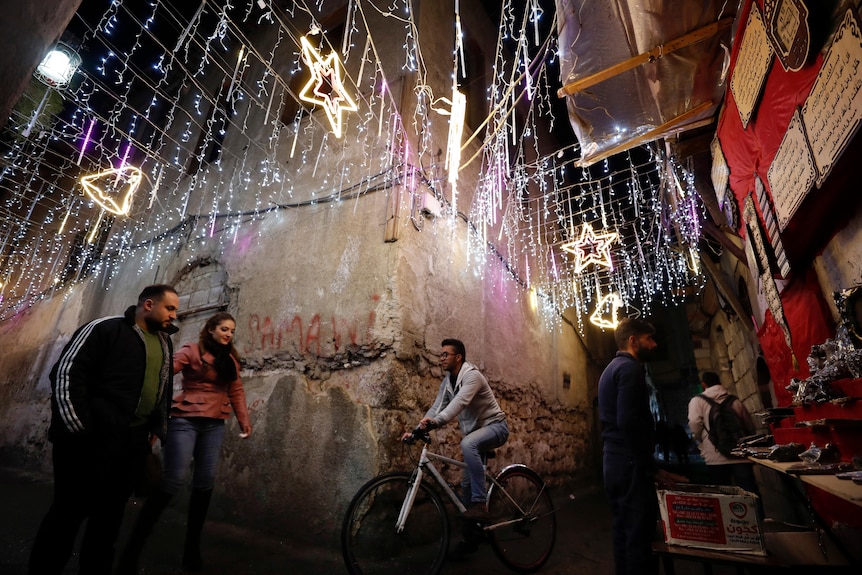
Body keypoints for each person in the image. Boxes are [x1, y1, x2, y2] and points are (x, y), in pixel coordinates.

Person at [28, 284, 180, 575]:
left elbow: (161, 387)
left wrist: (155, 428)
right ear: (148, 304)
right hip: (86, 442)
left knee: (108, 520)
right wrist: (79, 428)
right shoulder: (105, 329)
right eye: (170, 308)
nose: (174, 315)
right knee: (67, 516)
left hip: (130, 446)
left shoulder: (163, 341)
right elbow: (67, 373)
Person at [117, 311, 252, 574]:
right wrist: (151, 412)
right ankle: (133, 548)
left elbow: (235, 390)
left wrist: (244, 419)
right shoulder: (192, 350)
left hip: (214, 424)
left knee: (205, 482)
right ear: (210, 329)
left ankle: (192, 549)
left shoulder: (230, 360)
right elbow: (164, 374)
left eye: (232, 331)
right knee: (173, 480)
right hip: (185, 420)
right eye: (224, 329)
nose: (228, 334)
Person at [598, 318, 688, 575]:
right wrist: (650, 468)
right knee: (640, 538)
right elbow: (627, 421)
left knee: (623, 535)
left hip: (614, 463)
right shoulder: (630, 370)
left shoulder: (610, 370)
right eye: (650, 338)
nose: (655, 344)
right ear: (633, 340)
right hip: (629, 466)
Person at [403, 338, 509, 554]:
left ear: (458, 357)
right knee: (466, 489)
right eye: (440, 354)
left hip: (496, 427)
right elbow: (436, 408)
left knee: (467, 443)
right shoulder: (447, 382)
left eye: (445, 354)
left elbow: (459, 403)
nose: (441, 358)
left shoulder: (472, 376)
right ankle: (471, 540)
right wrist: (417, 430)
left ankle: (481, 505)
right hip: (477, 434)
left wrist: (437, 422)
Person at [688, 371, 758, 493]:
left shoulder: (697, 401)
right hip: (740, 456)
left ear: (703, 384)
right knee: (750, 492)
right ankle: (756, 512)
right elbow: (749, 426)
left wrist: (701, 440)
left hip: (715, 457)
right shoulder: (734, 400)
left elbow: (694, 424)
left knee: (723, 495)